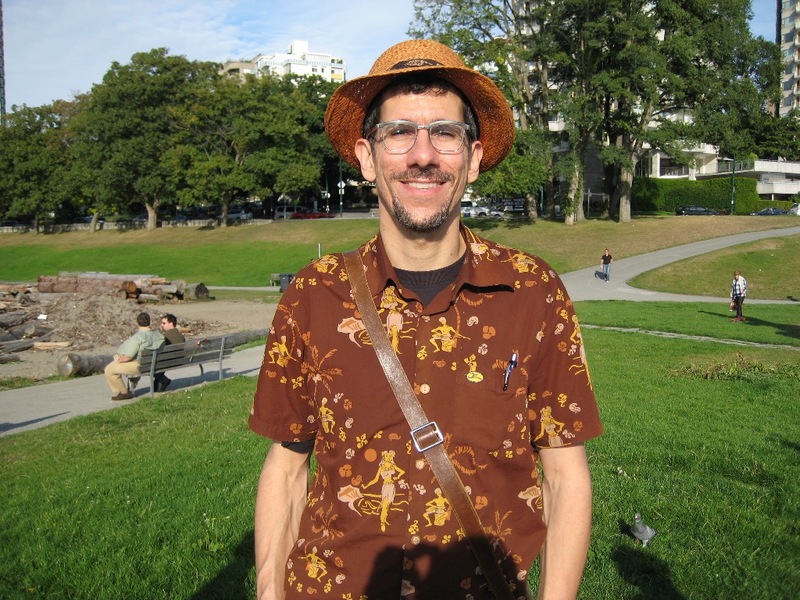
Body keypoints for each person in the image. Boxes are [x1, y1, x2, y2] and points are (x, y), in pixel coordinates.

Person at [249, 39, 603, 600]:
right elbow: (287, 466)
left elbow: (564, 475)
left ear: (474, 157)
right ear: (367, 157)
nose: (422, 155)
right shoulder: (313, 294)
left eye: (445, 132)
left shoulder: (533, 292)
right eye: (398, 132)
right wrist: (270, 590)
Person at [104, 312, 164, 401]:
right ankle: (129, 389)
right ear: (149, 322)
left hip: (141, 366)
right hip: (155, 364)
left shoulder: (137, 338)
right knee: (132, 361)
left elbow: (128, 357)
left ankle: (124, 393)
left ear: (137, 323)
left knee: (109, 369)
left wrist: (119, 359)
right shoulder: (159, 335)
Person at [154, 313, 185, 392]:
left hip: (169, 362)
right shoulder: (180, 336)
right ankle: (160, 381)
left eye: (164, 323)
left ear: (171, 324)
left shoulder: (165, 336)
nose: (162, 325)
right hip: (180, 360)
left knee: (152, 365)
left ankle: (163, 380)